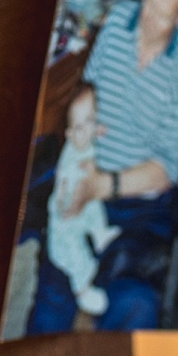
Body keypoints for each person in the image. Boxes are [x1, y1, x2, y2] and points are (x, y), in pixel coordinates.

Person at [30, 0, 178, 332]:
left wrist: (102, 186)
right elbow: (86, 94)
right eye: (149, 4)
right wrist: (82, 145)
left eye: (163, 15)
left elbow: (167, 169)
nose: (148, 21)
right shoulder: (115, 22)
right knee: (53, 291)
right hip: (87, 169)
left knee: (136, 302)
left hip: (137, 201)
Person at [47, 84, 122, 317]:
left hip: (83, 209)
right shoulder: (69, 166)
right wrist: (63, 207)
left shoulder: (85, 137)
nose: (87, 131)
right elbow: (61, 194)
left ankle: (99, 233)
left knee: (95, 203)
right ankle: (83, 293)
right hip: (65, 228)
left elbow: (93, 135)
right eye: (80, 127)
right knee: (79, 259)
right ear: (69, 134)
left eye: (92, 121)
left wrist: (97, 130)